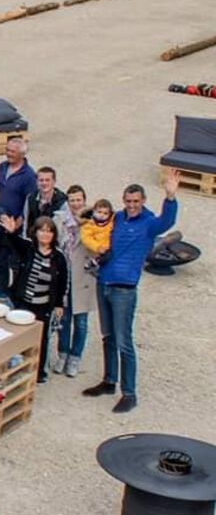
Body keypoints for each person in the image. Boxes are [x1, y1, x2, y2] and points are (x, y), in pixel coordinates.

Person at [81, 171, 180, 413]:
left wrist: (170, 197)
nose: (132, 205)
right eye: (128, 201)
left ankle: (129, 392)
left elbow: (167, 221)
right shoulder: (117, 218)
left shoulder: (149, 224)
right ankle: (109, 380)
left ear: (143, 201)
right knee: (108, 336)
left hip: (124, 290)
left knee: (124, 341)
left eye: (136, 201)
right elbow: (96, 219)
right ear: (123, 201)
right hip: (104, 282)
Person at [1, 215, 68, 382]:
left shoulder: (59, 257)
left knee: (42, 338)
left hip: (44, 305)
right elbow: (14, 241)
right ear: (35, 232)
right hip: (23, 302)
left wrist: (59, 304)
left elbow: (62, 282)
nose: (45, 234)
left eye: (49, 231)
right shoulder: (28, 248)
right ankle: (17, 368)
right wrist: (11, 232)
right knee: (19, 336)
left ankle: (38, 372)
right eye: (42, 230)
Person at [53, 186, 95, 377]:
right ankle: (62, 354)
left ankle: (75, 357)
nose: (76, 204)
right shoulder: (60, 220)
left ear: (84, 200)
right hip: (65, 275)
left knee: (81, 322)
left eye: (79, 200)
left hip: (83, 276)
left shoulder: (93, 222)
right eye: (72, 200)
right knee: (63, 319)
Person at [0, 137, 36, 219]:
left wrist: (20, 220)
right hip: (0, 216)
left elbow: (31, 202)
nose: (8, 154)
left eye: (12, 151)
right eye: (7, 150)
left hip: (15, 220)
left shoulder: (29, 175)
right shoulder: (2, 166)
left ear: (22, 154)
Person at [25, 165, 67, 234]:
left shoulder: (62, 201)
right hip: (33, 238)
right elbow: (26, 223)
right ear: (36, 182)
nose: (44, 183)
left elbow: (63, 229)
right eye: (41, 180)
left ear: (54, 181)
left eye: (47, 180)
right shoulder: (30, 198)